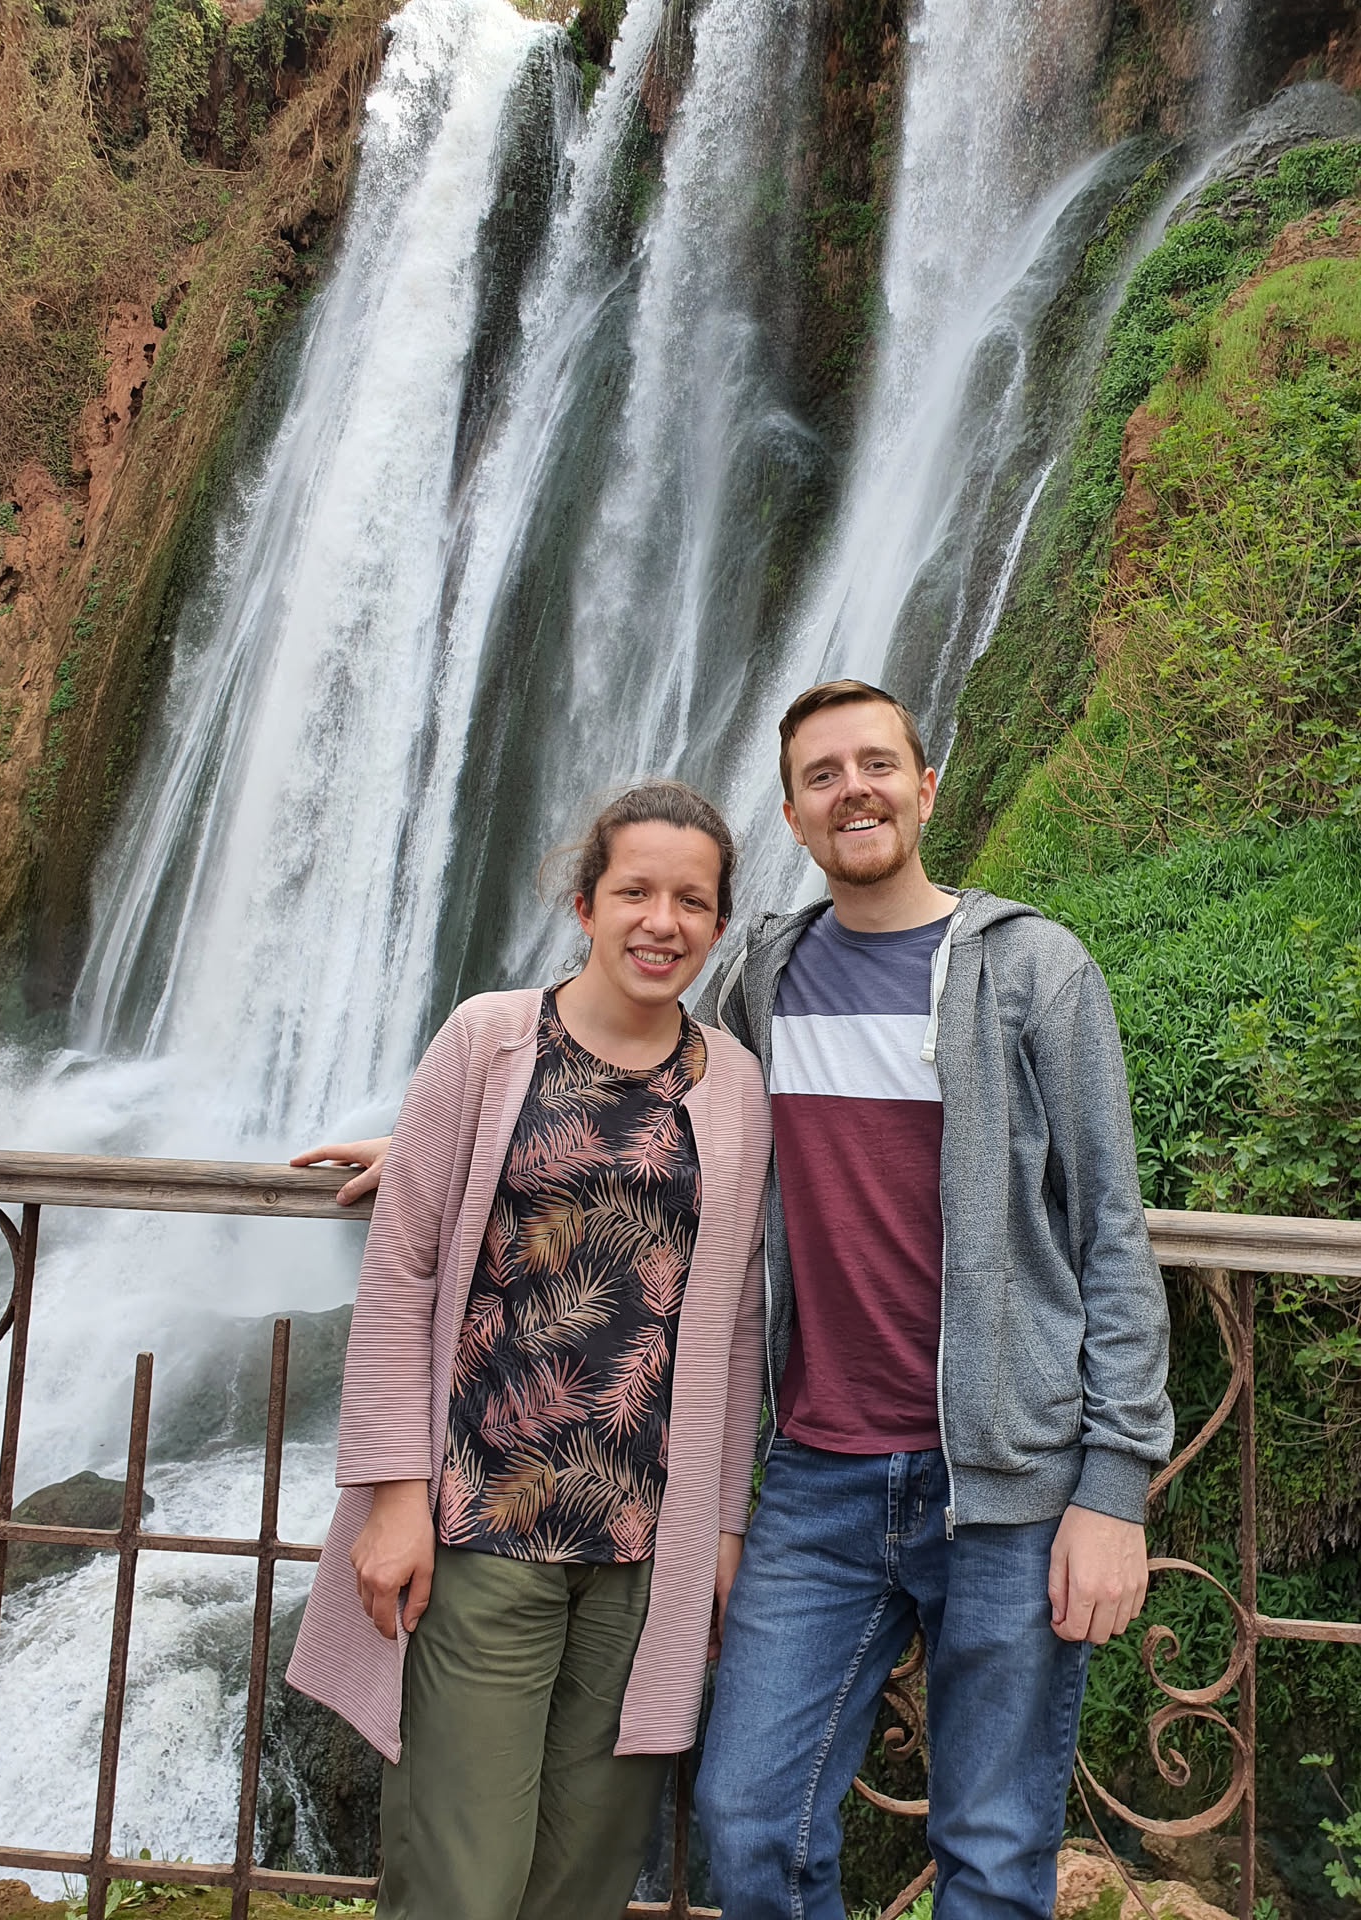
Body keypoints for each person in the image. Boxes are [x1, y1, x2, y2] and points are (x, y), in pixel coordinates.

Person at [684, 678, 1174, 1919]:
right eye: (822, 775)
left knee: (994, 1856)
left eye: (876, 765)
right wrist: (455, 1144)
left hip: (1009, 1487)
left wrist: (1114, 1488)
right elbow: (638, 1098)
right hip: (816, 1478)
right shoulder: (763, 979)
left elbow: (1111, 1233)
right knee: (748, 1823)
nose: (853, 790)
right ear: (793, 816)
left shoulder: (1033, 970)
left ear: (926, 788)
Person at [286, 780, 771, 1920]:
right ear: (585, 903)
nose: (662, 922)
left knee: (582, 1880)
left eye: (692, 901)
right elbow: (403, 1271)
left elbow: (735, 1326)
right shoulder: (490, 1039)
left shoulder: (737, 1087)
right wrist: (392, 1499)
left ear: (718, 923)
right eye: (636, 892)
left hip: (644, 1549)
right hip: (480, 1527)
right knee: (463, 1879)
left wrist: (723, 1532)